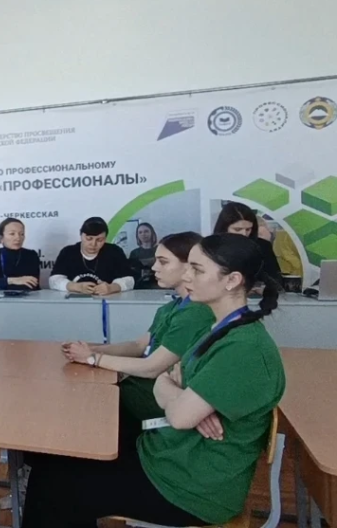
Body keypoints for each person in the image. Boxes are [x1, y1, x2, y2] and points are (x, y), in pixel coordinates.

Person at [22, 234, 285, 527]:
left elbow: (178, 410)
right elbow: (167, 380)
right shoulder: (218, 329)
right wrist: (177, 392)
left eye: (197, 269)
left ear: (232, 280)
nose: (187, 276)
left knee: (54, 485)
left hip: (191, 488)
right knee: (54, 462)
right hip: (166, 456)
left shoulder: (244, 347)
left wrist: (177, 395)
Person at [63, 232, 214, 440]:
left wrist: (93, 358)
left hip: (154, 396)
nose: (154, 268)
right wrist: (92, 349)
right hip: (144, 386)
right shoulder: (172, 307)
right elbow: (139, 345)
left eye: (163, 262)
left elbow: (152, 367)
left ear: (190, 267)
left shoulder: (195, 313)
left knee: (85, 403)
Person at [49, 217, 134, 295]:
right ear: (81, 235)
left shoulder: (114, 251)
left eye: (99, 240)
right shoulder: (68, 252)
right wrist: (76, 287)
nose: (93, 244)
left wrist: (111, 288)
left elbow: (129, 280)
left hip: (107, 301)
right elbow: (54, 280)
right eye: (89, 239)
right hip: (74, 302)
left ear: (105, 238)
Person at [213, 201, 282, 284]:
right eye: (237, 229)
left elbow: (275, 279)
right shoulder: (211, 247)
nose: (244, 234)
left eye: (248, 229)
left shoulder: (263, 246)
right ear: (224, 228)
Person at [0, 218, 41, 291]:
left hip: (28, 298)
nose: (18, 238)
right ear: (1, 238)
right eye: (12, 234)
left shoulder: (31, 255)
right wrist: (12, 280)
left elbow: (31, 285)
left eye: (21, 234)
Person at [128, 222, 159, 289]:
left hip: (158, 285)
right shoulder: (134, 253)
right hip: (140, 287)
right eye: (140, 232)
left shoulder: (160, 250)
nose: (143, 234)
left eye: (146, 231)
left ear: (152, 233)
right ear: (137, 235)